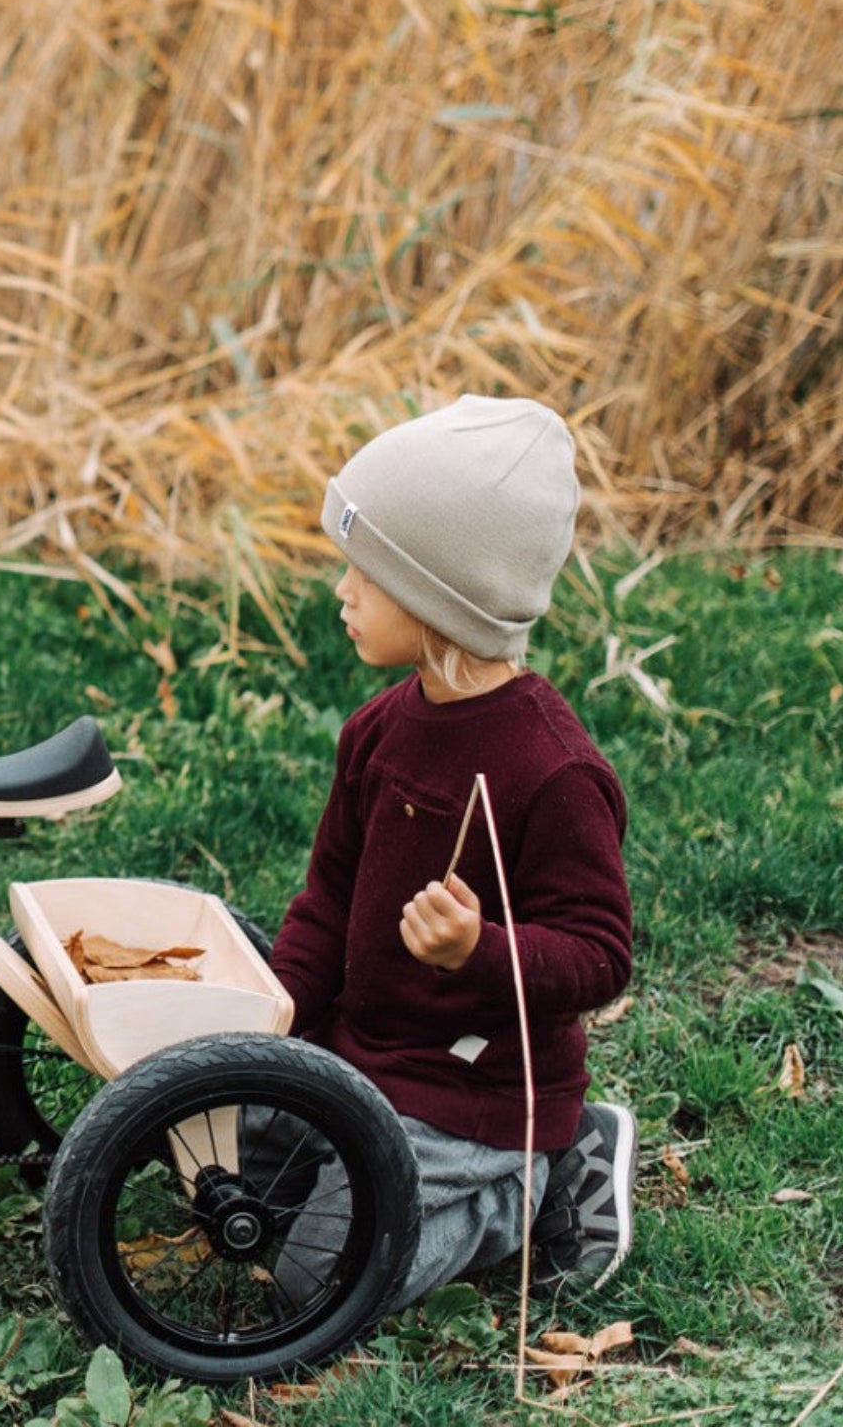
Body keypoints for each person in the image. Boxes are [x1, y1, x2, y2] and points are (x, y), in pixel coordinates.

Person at [265, 393, 637, 1310]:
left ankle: (539, 1184)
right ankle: (345, 1155)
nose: (341, 591)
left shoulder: (553, 772)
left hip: (468, 1098)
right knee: (216, 1144)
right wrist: (268, 1020)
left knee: (311, 1281)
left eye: (364, 572)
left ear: (440, 594)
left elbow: (600, 956)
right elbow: (326, 897)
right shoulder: (379, 732)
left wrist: (480, 952)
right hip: (360, 1053)